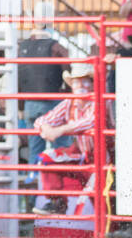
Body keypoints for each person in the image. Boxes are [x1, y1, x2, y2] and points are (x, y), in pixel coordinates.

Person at [32, 63, 99, 215]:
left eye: (85, 81)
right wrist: (47, 128)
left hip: (104, 160)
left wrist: (60, 130)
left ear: (93, 83)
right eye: (76, 81)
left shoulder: (99, 100)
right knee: (47, 157)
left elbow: (92, 121)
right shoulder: (70, 103)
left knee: (103, 197)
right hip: (83, 156)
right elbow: (42, 120)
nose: (80, 85)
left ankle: (112, 230)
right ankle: (57, 202)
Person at [18, 25, 70, 176]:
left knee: (34, 151)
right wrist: (69, 99)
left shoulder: (22, 48)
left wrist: (21, 107)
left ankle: (34, 194)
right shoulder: (56, 47)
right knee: (61, 149)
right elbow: (68, 73)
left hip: (30, 102)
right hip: (55, 103)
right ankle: (61, 190)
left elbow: (19, 78)